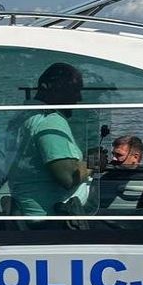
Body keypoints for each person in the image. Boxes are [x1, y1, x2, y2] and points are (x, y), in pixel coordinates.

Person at [8, 62, 90, 217]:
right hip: (56, 218)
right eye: (74, 90)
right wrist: (95, 161)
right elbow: (68, 177)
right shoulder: (48, 121)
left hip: (31, 209)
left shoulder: (22, 117)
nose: (79, 97)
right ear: (49, 87)